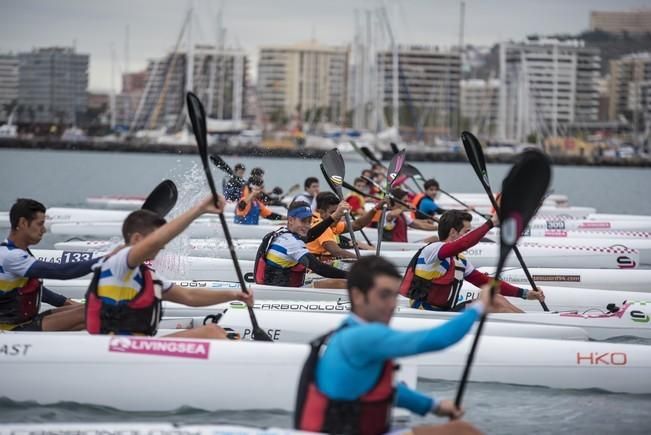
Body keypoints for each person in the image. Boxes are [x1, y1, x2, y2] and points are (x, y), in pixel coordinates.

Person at [295, 255, 484, 435]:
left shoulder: (348, 332)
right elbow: (438, 339)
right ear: (358, 296)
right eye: (384, 295)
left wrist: (434, 406)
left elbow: (387, 391)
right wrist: (479, 307)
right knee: (461, 431)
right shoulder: (363, 336)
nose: (392, 304)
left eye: (394, 295)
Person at [86, 195, 253, 338]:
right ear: (136, 239)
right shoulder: (118, 262)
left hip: (138, 346)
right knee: (211, 333)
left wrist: (235, 295)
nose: (163, 246)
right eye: (157, 237)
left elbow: (190, 296)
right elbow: (157, 241)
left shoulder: (147, 276)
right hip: (115, 348)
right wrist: (199, 209)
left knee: (213, 330)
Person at [400, 210, 545, 313]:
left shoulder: (459, 260)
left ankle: (530, 320)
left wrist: (525, 294)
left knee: (496, 298)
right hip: (425, 313)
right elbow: (464, 244)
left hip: (446, 312)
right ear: (453, 232)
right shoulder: (433, 250)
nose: (469, 235)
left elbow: (486, 281)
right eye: (466, 231)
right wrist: (491, 223)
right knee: (497, 306)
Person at [0, 198, 98, 331]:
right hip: (11, 330)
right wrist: (103, 261)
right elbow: (61, 272)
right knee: (89, 313)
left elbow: (31, 288)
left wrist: (65, 302)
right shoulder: (10, 256)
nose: (44, 230)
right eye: (40, 224)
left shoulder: (18, 251)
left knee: (89, 309)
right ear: (23, 223)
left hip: (26, 321)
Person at [254, 201, 348, 288]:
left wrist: (334, 216)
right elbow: (318, 268)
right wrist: (351, 275)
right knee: (341, 283)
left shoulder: (283, 233)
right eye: (303, 221)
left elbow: (311, 235)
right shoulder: (291, 242)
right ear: (291, 220)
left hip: (279, 286)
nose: (307, 225)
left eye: (309, 221)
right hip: (282, 292)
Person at [307, 192, 379, 260]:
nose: (338, 215)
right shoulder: (321, 226)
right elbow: (337, 252)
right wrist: (363, 261)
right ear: (322, 212)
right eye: (333, 212)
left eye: (339, 211)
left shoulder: (329, 223)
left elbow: (358, 225)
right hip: (314, 270)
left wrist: (376, 208)